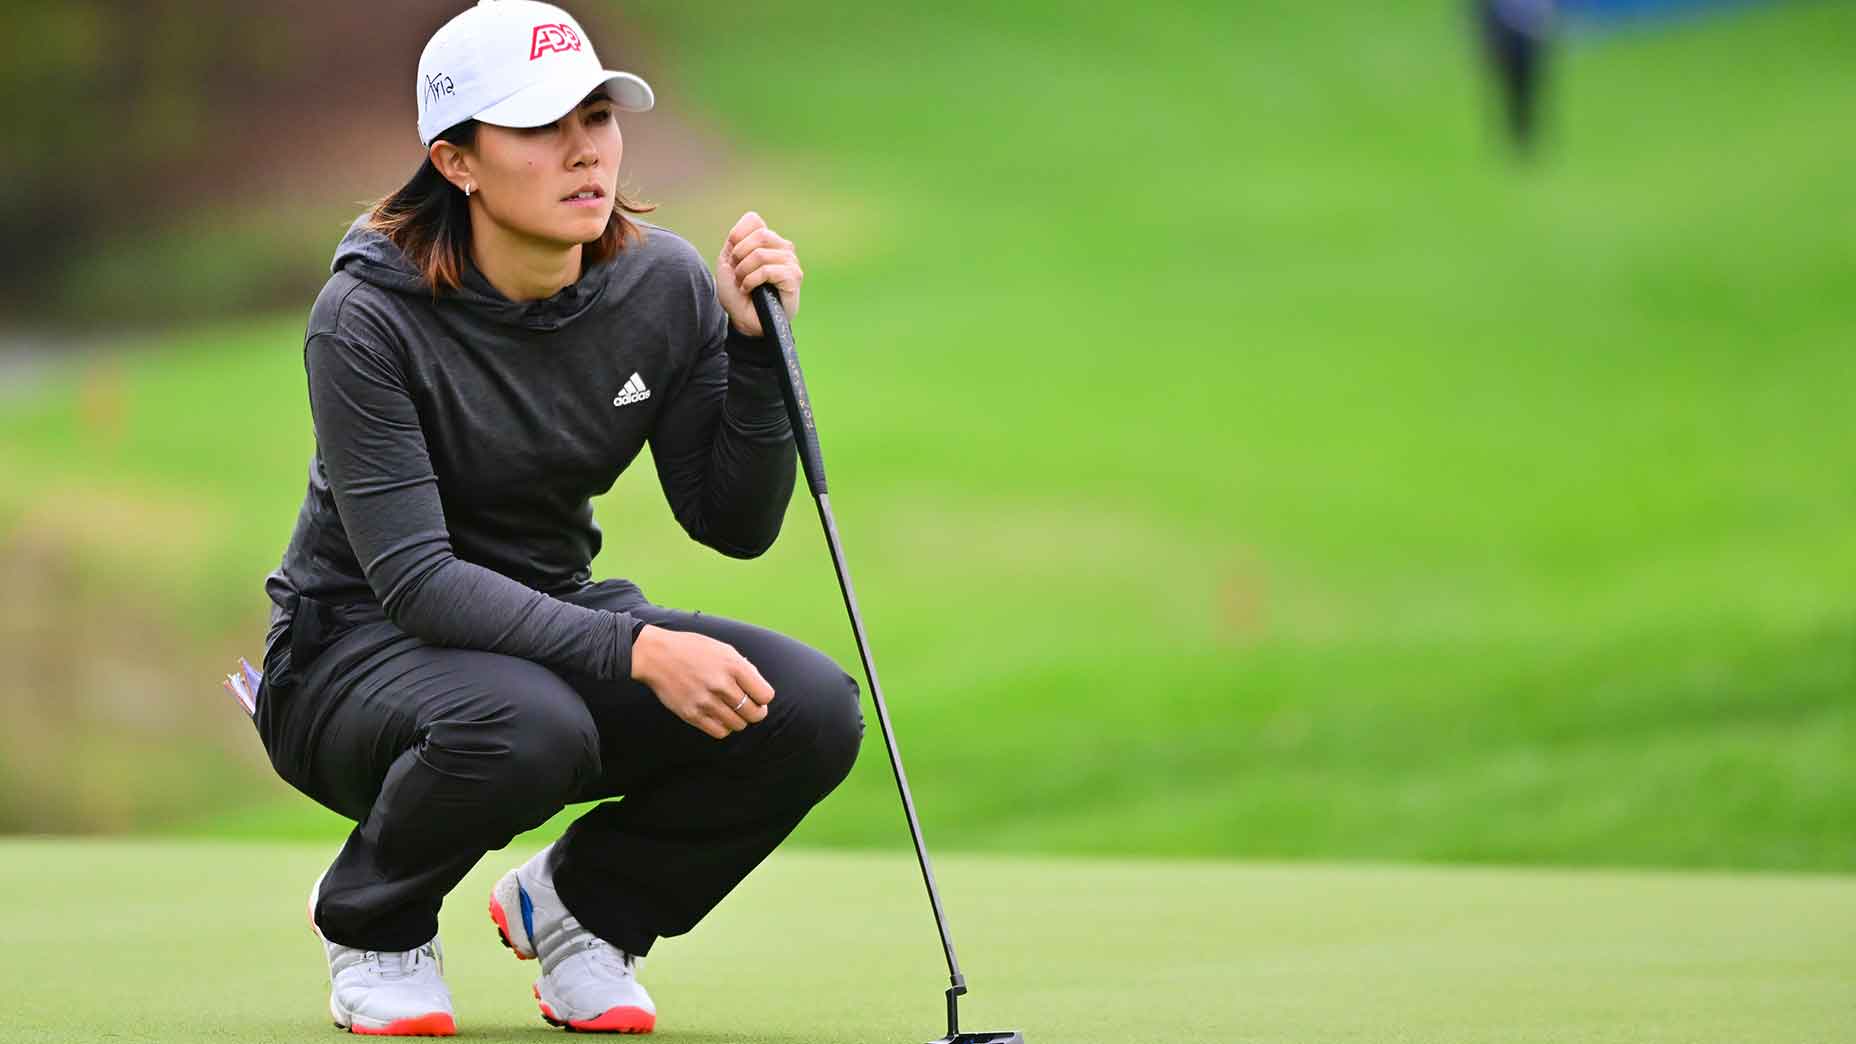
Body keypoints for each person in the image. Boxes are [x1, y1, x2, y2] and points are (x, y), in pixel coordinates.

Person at [251, 0, 864, 1035]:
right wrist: (635, 649)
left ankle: (587, 909)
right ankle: (373, 922)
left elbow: (733, 522)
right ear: (457, 162)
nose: (585, 153)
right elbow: (419, 581)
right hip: (351, 657)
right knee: (527, 725)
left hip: (545, 635)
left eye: (597, 117)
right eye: (541, 128)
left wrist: (754, 351)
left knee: (803, 710)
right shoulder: (364, 318)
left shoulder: (657, 284)